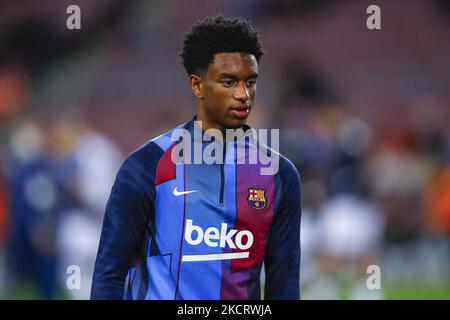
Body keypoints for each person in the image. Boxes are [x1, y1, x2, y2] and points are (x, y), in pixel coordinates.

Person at [91, 15, 302, 300]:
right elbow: (109, 273)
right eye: (229, 82)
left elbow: (284, 285)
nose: (243, 95)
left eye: (250, 82)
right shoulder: (147, 165)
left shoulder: (280, 175)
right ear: (197, 85)